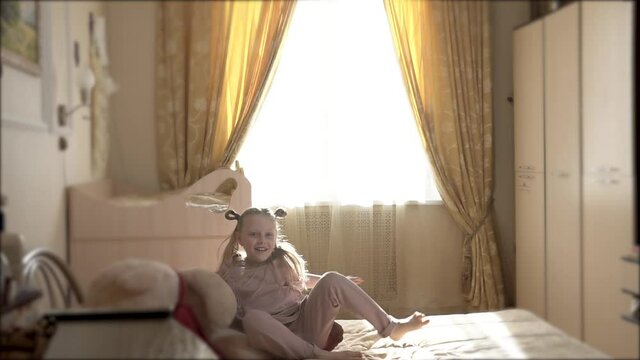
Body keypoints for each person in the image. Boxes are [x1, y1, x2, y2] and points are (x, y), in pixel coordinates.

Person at [217, 207, 429, 359]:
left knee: (332, 278)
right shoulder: (232, 273)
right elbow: (221, 307)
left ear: (275, 238)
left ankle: (392, 327)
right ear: (240, 238)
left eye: (268, 235)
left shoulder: (281, 262)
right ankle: (317, 356)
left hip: (307, 329)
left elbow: (306, 280)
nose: (262, 241)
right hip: (276, 339)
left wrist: (341, 284)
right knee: (253, 318)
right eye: (254, 235)